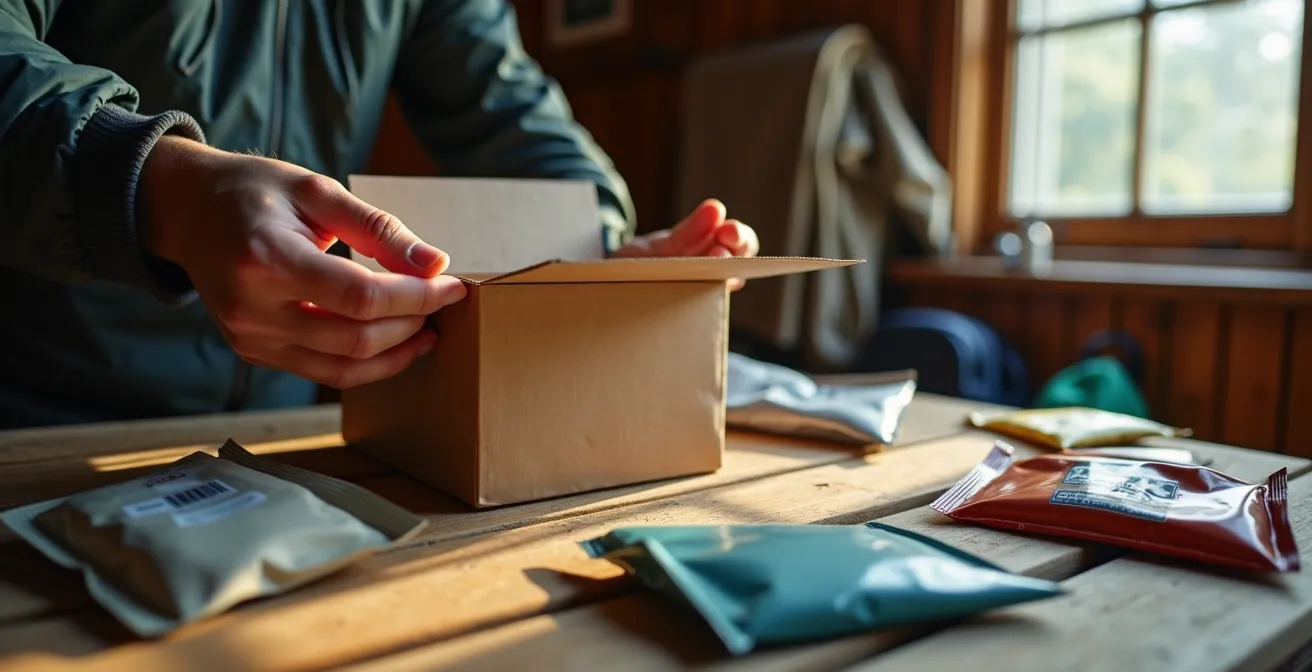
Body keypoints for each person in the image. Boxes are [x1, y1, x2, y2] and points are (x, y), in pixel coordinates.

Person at [0, 0, 759, 429]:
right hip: (35, 415)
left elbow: (511, 115)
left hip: (277, 436)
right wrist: (159, 187)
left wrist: (595, 251)